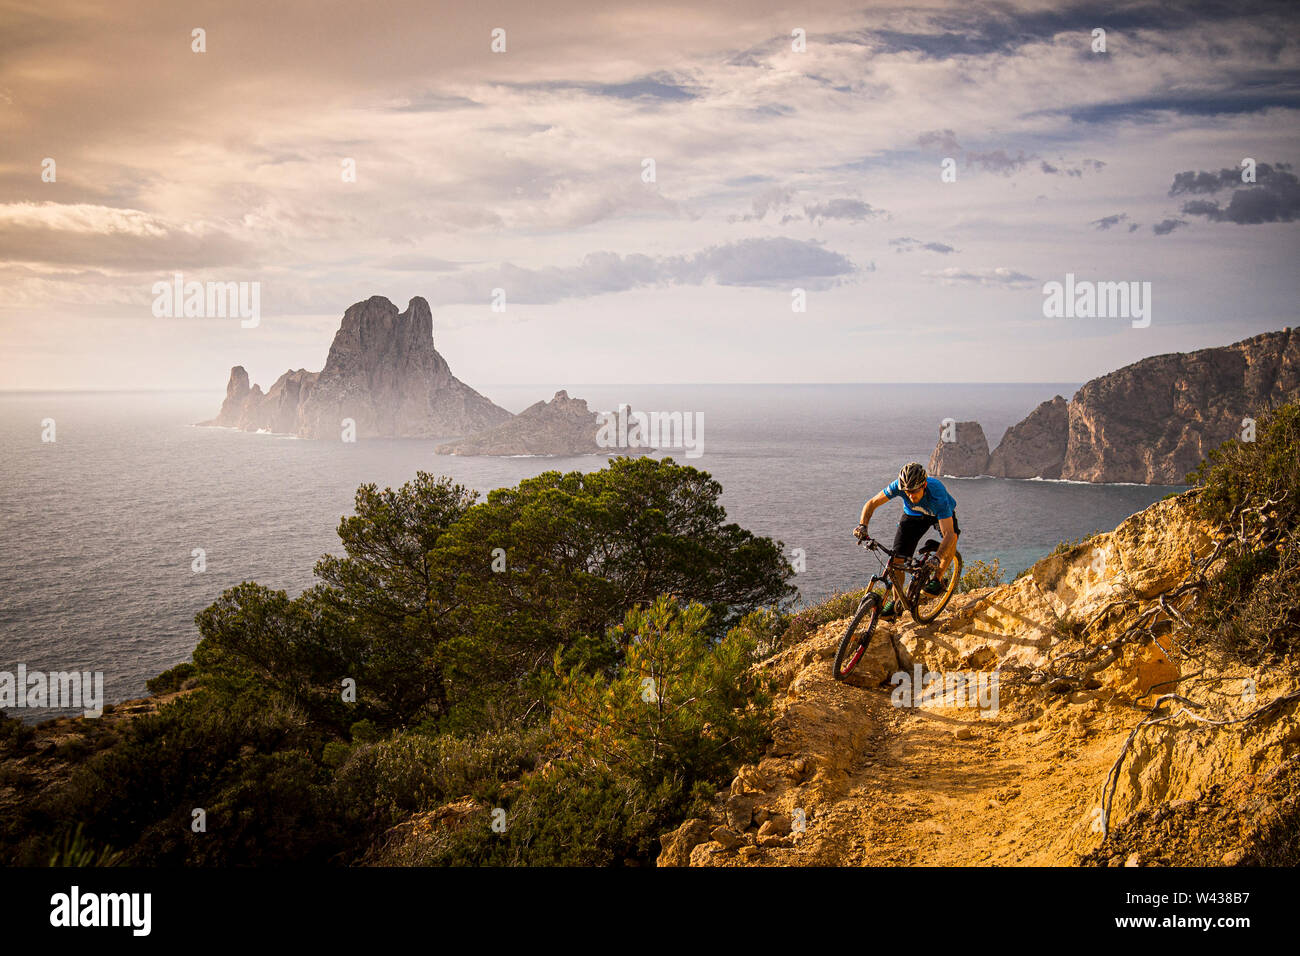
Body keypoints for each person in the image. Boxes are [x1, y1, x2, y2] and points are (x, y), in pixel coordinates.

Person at [854, 462, 960, 618]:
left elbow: (949, 533)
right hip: (914, 516)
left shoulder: (937, 494)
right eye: (907, 492)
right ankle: (897, 603)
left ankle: (937, 579)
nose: (911, 496)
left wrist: (937, 558)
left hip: (939, 515)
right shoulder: (898, 486)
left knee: (951, 540)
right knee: (896, 561)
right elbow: (872, 503)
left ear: (924, 485)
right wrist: (863, 525)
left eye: (914, 491)